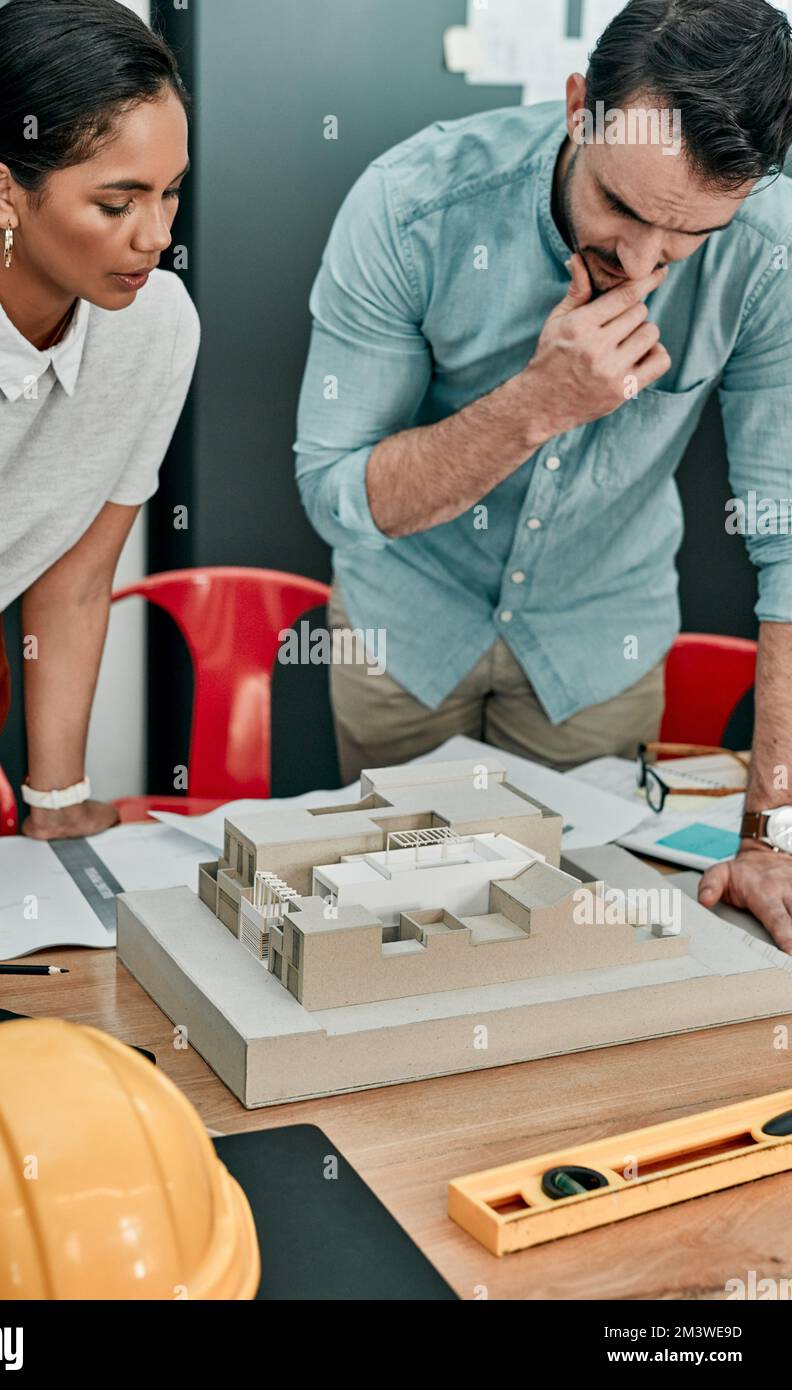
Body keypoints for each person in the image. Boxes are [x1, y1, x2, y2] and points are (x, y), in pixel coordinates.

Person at [294, 0, 792, 950]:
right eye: (625, 209)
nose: (643, 266)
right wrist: (539, 403)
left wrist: (774, 832)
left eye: (687, 237)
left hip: (597, 651)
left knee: (556, 952)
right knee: (392, 944)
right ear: (579, 108)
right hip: (405, 636)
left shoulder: (770, 251)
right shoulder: (409, 205)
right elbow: (337, 496)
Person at [0, 0, 199, 1005]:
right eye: (116, 203)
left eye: (171, 195)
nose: (155, 238)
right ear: (2, 191)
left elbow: (76, 574)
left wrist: (55, 803)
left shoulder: (154, 330)